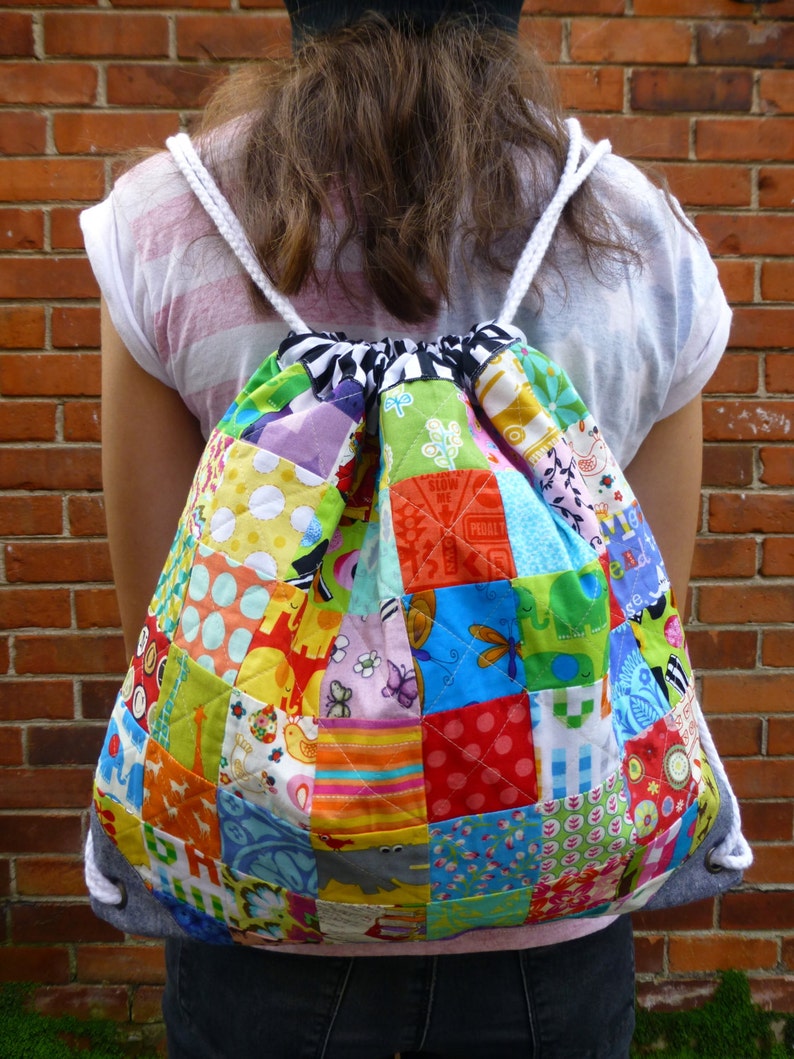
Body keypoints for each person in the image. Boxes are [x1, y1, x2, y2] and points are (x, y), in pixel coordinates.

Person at [81, 1, 732, 1055]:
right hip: (551, 942)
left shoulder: (167, 218)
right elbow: (645, 623)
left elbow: (162, 638)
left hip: (268, 917)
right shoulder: (636, 232)